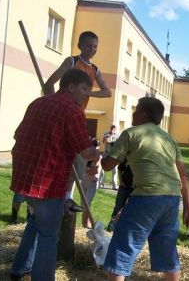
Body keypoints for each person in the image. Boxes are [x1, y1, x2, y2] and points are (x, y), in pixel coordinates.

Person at [10, 69, 100, 281]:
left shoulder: (38, 102)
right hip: (47, 183)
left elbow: (18, 134)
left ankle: (19, 269)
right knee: (49, 237)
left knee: (34, 222)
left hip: (24, 177)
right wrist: (102, 153)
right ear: (70, 87)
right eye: (85, 89)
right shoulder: (73, 110)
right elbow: (86, 152)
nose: (87, 94)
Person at [101, 97, 189, 281]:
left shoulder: (131, 133)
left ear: (143, 114)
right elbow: (183, 175)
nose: (133, 114)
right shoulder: (169, 139)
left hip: (147, 196)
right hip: (172, 198)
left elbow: (107, 165)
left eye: (135, 111)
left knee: (122, 248)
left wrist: (101, 155)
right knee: (168, 252)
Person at [43, 31, 111, 208]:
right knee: (58, 157)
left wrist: (89, 92)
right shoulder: (71, 62)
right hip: (62, 113)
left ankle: (67, 197)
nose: (92, 49)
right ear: (80, 45)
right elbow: (49, 83)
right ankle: (46, 198)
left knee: (76, 160)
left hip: (78, 116)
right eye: (89, 45)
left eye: (95, 47)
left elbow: (107, 92)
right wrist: (54, 105)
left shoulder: (94, 69)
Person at [107, 158, 134, 232]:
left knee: (131, 208)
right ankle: (111, 225)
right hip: (124, 186)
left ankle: (125, 228)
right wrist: (121, 182)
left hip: (134, 189)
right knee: (118, 206)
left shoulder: (139, 161)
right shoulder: (126, 159)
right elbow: (119, 170)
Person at [81, 138, 102, 229]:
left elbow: (93, 171)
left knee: (87, 204)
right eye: (92, 145)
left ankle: (88, 223)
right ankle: (84, 223)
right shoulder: (86, 156)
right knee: (83, 204)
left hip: (92, 182)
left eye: (95, 145)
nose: (94, 148)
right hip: (85, 180)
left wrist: (85, 169)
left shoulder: (98, 157)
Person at [102, 125, 120, 189]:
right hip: (107, 153)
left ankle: (114, 185)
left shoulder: (118, 135)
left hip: (114, 154)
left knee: (114, 170)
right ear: (110, 129)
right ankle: (101, 184)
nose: (113, 130)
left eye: (114, 129)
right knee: (103, 168)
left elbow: (119, 144)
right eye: (112, 129)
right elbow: (105, 141)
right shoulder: (106, 134)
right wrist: (111, 135)